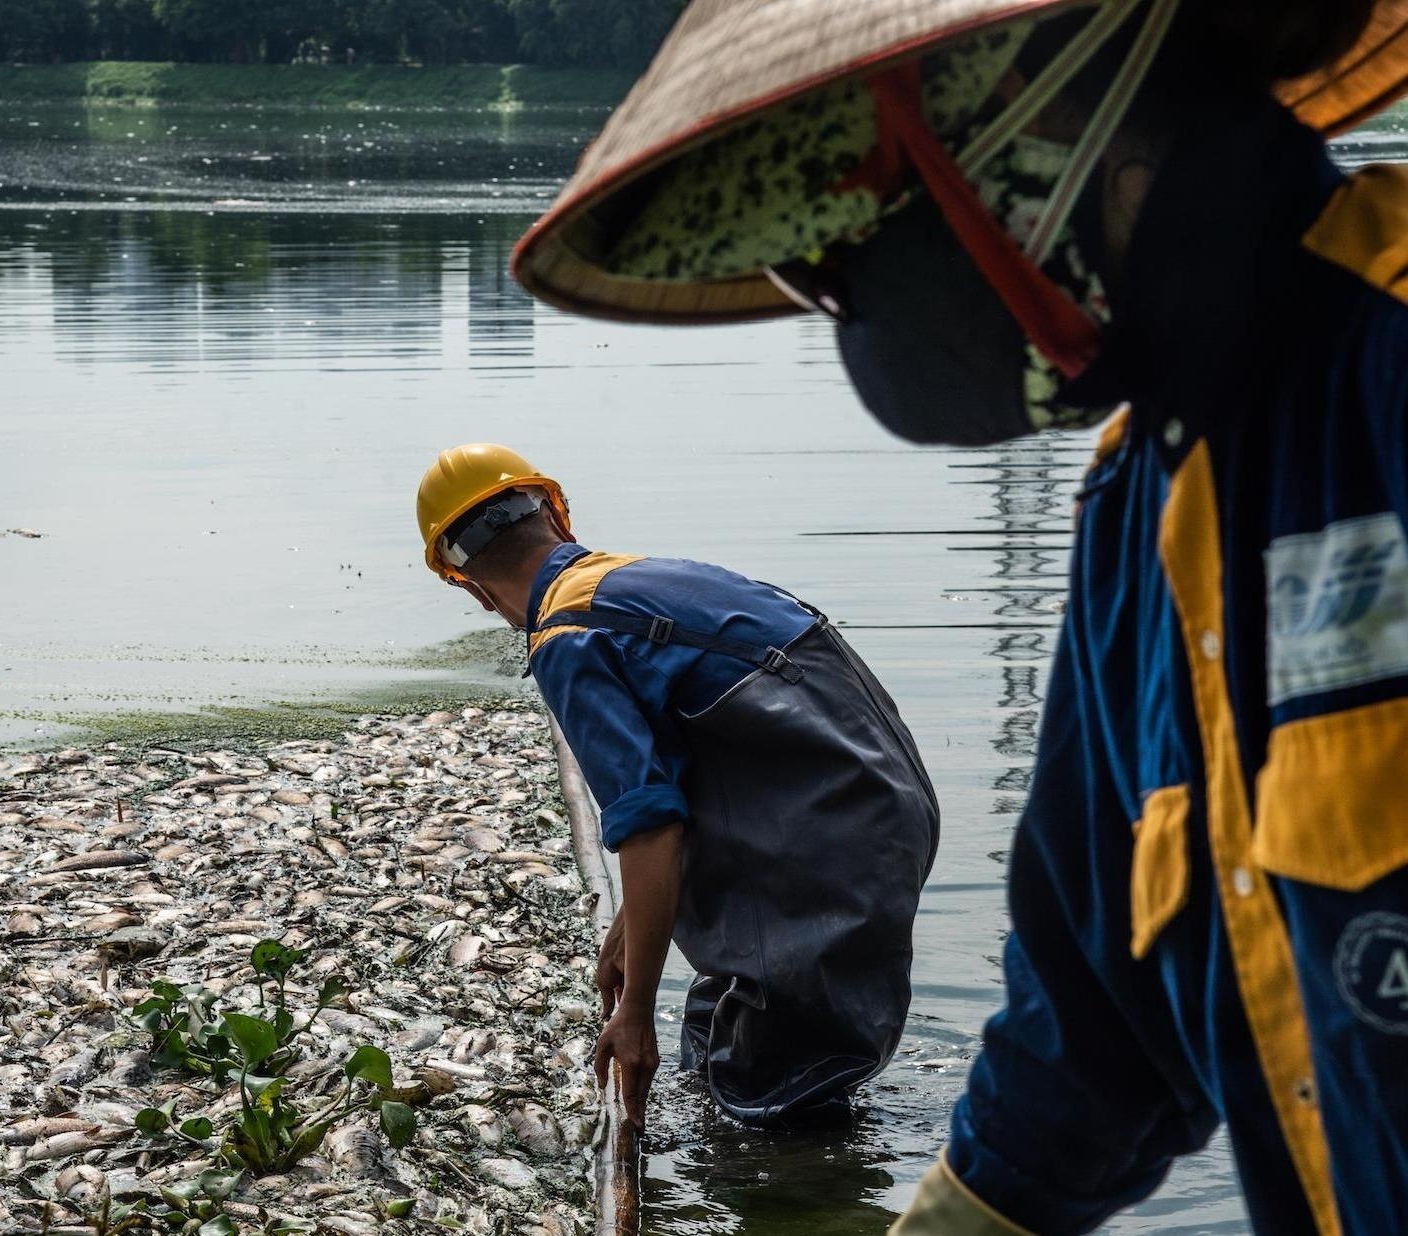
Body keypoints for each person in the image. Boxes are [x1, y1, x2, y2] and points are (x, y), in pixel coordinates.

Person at [511, 0, 1408, 1230]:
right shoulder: (1140, 512)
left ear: (1043, 109)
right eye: (810, 265)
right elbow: (1093, 1036)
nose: (851, 292)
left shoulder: (1387, 374)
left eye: (861, 222)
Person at [416, 443, 940, 1130]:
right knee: (729, 1032)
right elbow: (692, 765)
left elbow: (651, 824)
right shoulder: (639, 578)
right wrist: (629, 930)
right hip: (875, 798)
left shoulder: (567, 637)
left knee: (783, 1102)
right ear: (555, 517)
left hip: (826, 831)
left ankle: (804, 1180)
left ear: (472, 588)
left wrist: (635, 1014)